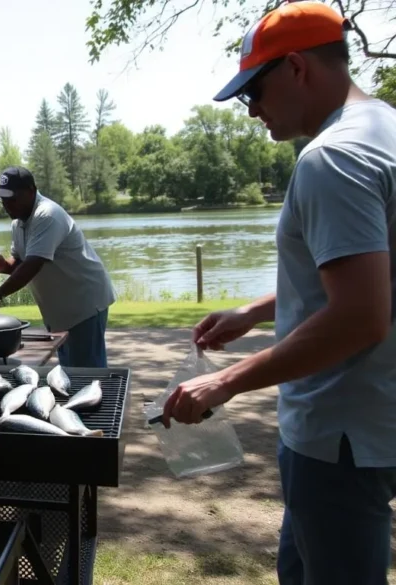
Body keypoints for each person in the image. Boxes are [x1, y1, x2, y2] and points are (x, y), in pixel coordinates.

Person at [159, 4, 396, 584]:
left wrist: (224, 380)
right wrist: (256, 311)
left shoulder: (331, 159)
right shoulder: (385, 127)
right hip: (376, 421)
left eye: (254, 92)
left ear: (295, 67)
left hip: (337, 430)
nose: (253, 111)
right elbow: (372, 275)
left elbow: (362, 316)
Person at [0, 166, 116, 367]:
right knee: (70, 374)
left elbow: (34, 264)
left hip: (83, 304)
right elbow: (21, 262)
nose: (7, 205)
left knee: (88, 375)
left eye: (12, 198)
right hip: (61, 311)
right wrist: (4, 265)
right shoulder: (18, 223)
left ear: (31, 191)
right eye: (3, 199)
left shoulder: (48, 215)